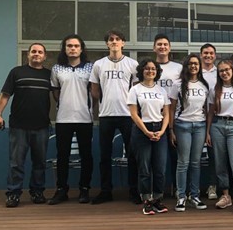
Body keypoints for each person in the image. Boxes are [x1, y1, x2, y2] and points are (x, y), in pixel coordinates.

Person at [0, 43, 52, 207]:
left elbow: (58, 96)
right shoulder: (17, 72)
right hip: (19, 126)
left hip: (41, 126)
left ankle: (37, 192)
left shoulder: (49, 75)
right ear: (28, 55)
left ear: (45, 56)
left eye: (40, 52)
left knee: (39, 162)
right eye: (33, 51)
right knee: (16, 163)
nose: (36, 54)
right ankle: (13, 194)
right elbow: (5, 95)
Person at [89, 30, 140, 204]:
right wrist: (105, 101)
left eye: (118, 39)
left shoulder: (132, 64)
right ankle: (105, 191)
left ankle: (134, 191)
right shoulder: (99, 64)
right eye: (111, 39)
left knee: (132, 155)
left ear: (123, 43)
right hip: (106, 115)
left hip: (128, 116)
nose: (114, 42)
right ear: (107, 44)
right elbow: (94, 90)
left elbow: (137, 89)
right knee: (105, 155)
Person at [49, 34, 94, 205]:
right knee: (62, 155)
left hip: (85, 118)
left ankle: (84, 189)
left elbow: (95, 93)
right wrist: (64, 104)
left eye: (76, 46)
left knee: (86, 155)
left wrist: (86, 106)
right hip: (63, 119)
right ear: (65, 49)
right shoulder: (57, 69)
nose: (72, 48)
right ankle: (61, 190)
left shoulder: (91, 68)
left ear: (81, 49)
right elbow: (55, 92)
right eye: (69, 46)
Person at [206, 59, 233, 214]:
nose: (224, 73)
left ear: (232, 71)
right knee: (220, 163)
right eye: (221, 71)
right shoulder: (215, 90)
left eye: (227, 70)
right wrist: (207, 132)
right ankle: (226, 196)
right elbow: (210, 112)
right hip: (217, 126)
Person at [127, 59, 170, 215]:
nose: (150, 71)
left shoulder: (162, 91)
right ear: (141, 71)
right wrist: (146, 132)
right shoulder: (135, 89)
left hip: (160, 130)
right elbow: (133, 113)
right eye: (147, 68)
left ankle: (157, 199)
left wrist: (162, 130)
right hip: (142, 131)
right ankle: (147, 201)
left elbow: (166, 114)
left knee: (160, 168)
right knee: (144, 168)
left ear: (157, 71)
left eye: (153, 69)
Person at [169, 54, 209, 212]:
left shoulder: (204, 85)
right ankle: (181, 197)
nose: (194, 66)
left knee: (195, 163)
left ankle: (194, 195)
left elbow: (207, 108)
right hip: (182, 125)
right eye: (191, 64)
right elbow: (171, 108)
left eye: (196, 64)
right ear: (186, 66)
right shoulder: (177, 84)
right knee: (183, 162)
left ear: (199, 67)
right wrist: (171, 130)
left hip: (200, 125)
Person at [153, 33, 182, 194]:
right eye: (159, 44)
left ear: (169, 48)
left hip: (174, 118)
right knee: (157, 159)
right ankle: (158, 190)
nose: (162, 47)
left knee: (175, 156)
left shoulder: (178, 68)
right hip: (153, 118)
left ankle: (177, 188)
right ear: (154, 48)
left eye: (165, 44)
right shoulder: (149, 67)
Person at [200, 43, 219, 200]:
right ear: (201, 55)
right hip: (196, 118)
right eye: (205, 53)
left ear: (215, 55)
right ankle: (189, 189)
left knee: (214, 155)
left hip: (214, 118)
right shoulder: (194, 71)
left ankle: (213, 186)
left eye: (211, 53)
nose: (208, 55)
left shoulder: (219, 72)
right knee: (192, 157)